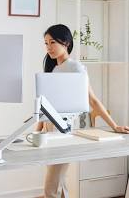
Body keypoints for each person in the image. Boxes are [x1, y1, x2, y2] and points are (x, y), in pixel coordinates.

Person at [38, 24, 129, 198]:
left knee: (50, 189)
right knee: (60, 183)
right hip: (49, 131)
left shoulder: (75, 68)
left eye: (52, 42)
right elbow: (46, 104)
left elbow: (92, 99)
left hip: (63, 133)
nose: (48, 47)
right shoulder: (54, 68)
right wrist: (37, 130)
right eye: (46, 43)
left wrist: (115, 125)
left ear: (66, 42)